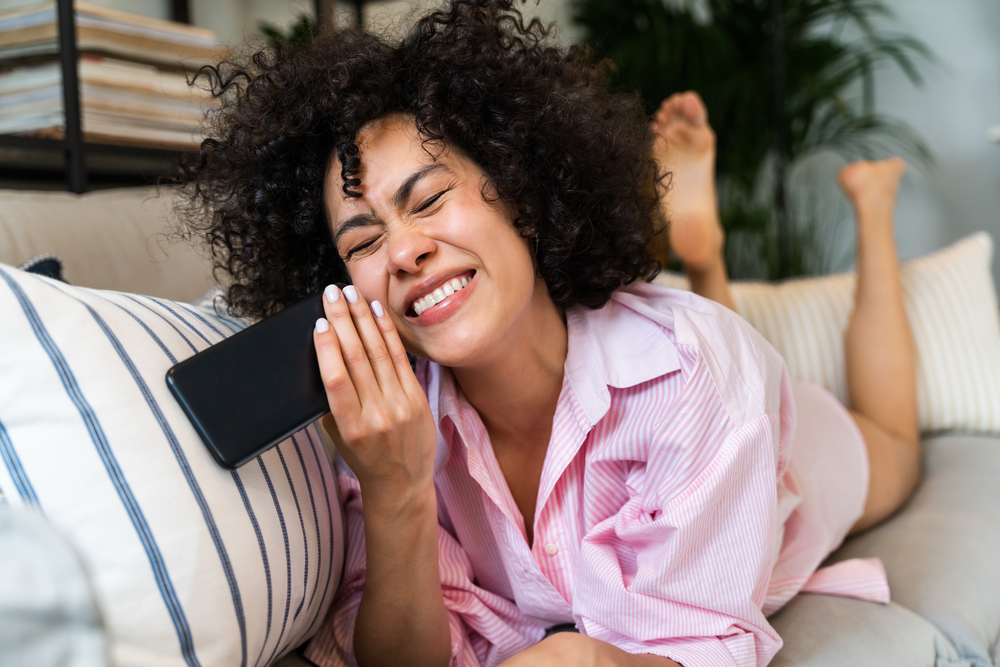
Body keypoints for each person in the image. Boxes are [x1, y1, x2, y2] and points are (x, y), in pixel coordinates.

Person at [175, 2, 919, 665]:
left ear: (522, 193)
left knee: (894, 441)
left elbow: (700, 645)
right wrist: (396, 489)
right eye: (364, 242)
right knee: (713, 337)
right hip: (703, 382)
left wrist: (586, 658)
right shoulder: (380, 429)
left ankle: (872, 206)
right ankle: (706, 255)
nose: (403, 251)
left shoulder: (691, 371)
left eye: (429, 197)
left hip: (785, 456)